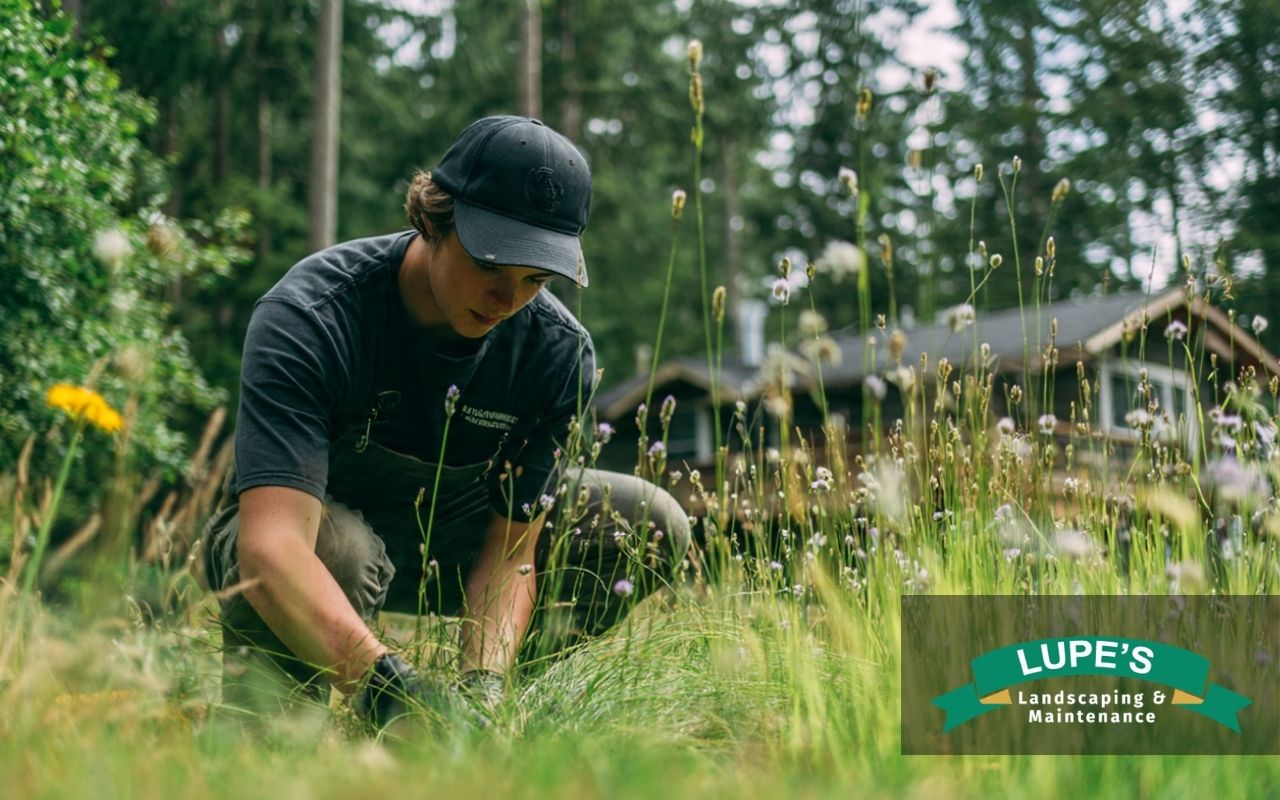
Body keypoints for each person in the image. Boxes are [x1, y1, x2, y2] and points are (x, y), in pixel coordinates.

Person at [201, 116, 690, 730]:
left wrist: (479, 688)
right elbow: (271, 544)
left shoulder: (559, 355)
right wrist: (392, 690)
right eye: (490, 265)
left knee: (647, 520)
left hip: (447, 542)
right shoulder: (311, 315)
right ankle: (274, 738)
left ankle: (485, 727)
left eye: (535, 279)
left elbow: (513, 553)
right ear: (433, 217)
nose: (507, 300)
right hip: (304, 537)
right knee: (338, 550)